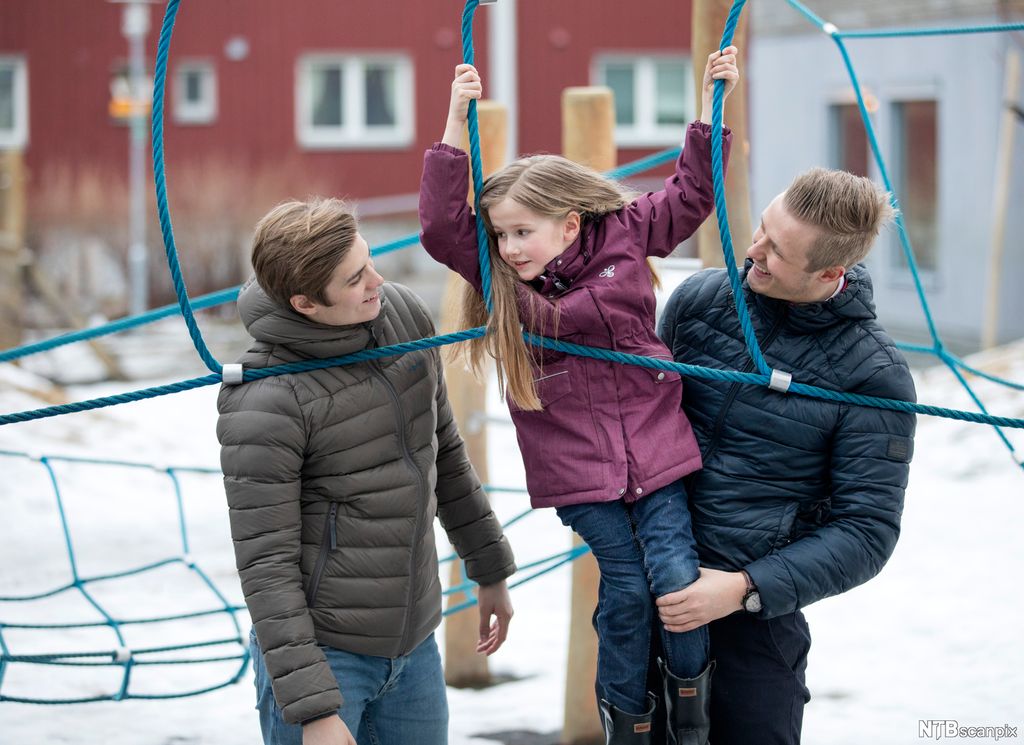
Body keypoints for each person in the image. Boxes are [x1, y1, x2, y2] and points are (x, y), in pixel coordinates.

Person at [419, 50, 739, 744]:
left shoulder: (625, 232)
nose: (507, 248)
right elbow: (444, 228)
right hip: (579, 468)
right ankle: (625, 717)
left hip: (655, 448)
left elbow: (690, 195)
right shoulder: (507, 282)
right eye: (499, 234)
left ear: (569, 223)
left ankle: (691, 702)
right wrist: (453, 119)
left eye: (520, 231)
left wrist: (712, 105)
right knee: (624, 590)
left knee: (678, 583)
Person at [217, 198, 517, 745]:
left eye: (370, 259)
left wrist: (489, 566)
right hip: (325, 658)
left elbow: (443, 451)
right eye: (356, 279)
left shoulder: (402, 317)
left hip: (413, 642)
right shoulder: (266, 402)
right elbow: (267, 567)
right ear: (306, 302)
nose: (378, 280)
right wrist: (314, 709)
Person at [657, 167, 918, 745]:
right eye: (761, 231)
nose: (753, 252)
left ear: (830, 272)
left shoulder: (873, 374)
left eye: (777, 252)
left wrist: (742, 588)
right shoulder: (700, 300)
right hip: (650, 587)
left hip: (752, 623)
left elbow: (867, 531)